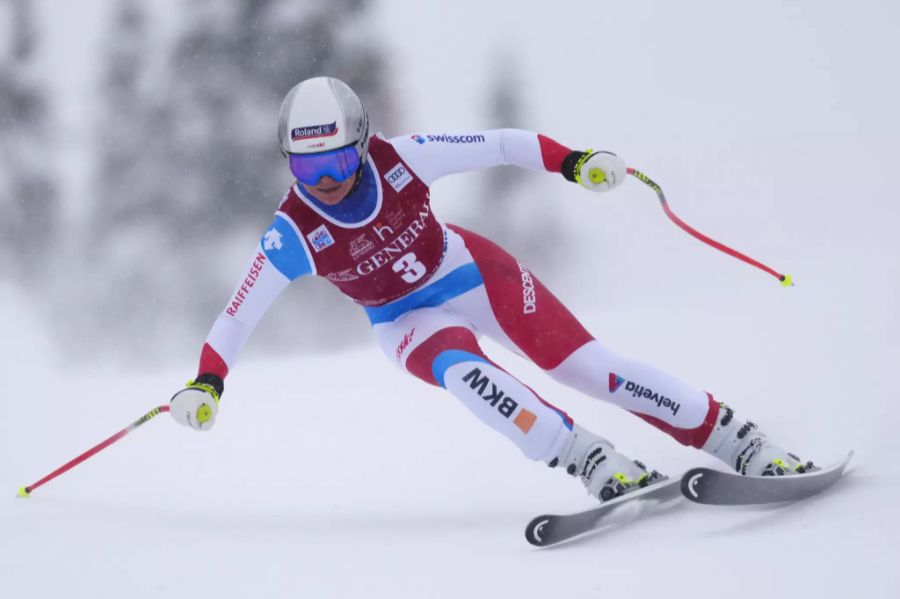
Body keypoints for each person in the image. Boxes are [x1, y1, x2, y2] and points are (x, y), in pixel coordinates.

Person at [169, 76, 813, 503]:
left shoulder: (404, 158)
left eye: (337, 160)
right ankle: (589, 460)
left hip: (470, 270)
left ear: (362, 144)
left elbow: (502, 143)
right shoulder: (293, 232)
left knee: (590, 369)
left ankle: (739, 440)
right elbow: (235, 319)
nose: (326, 179)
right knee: (464, 373)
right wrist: (207, 383)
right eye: (308, 165)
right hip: (403, 323)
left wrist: (574, 162)